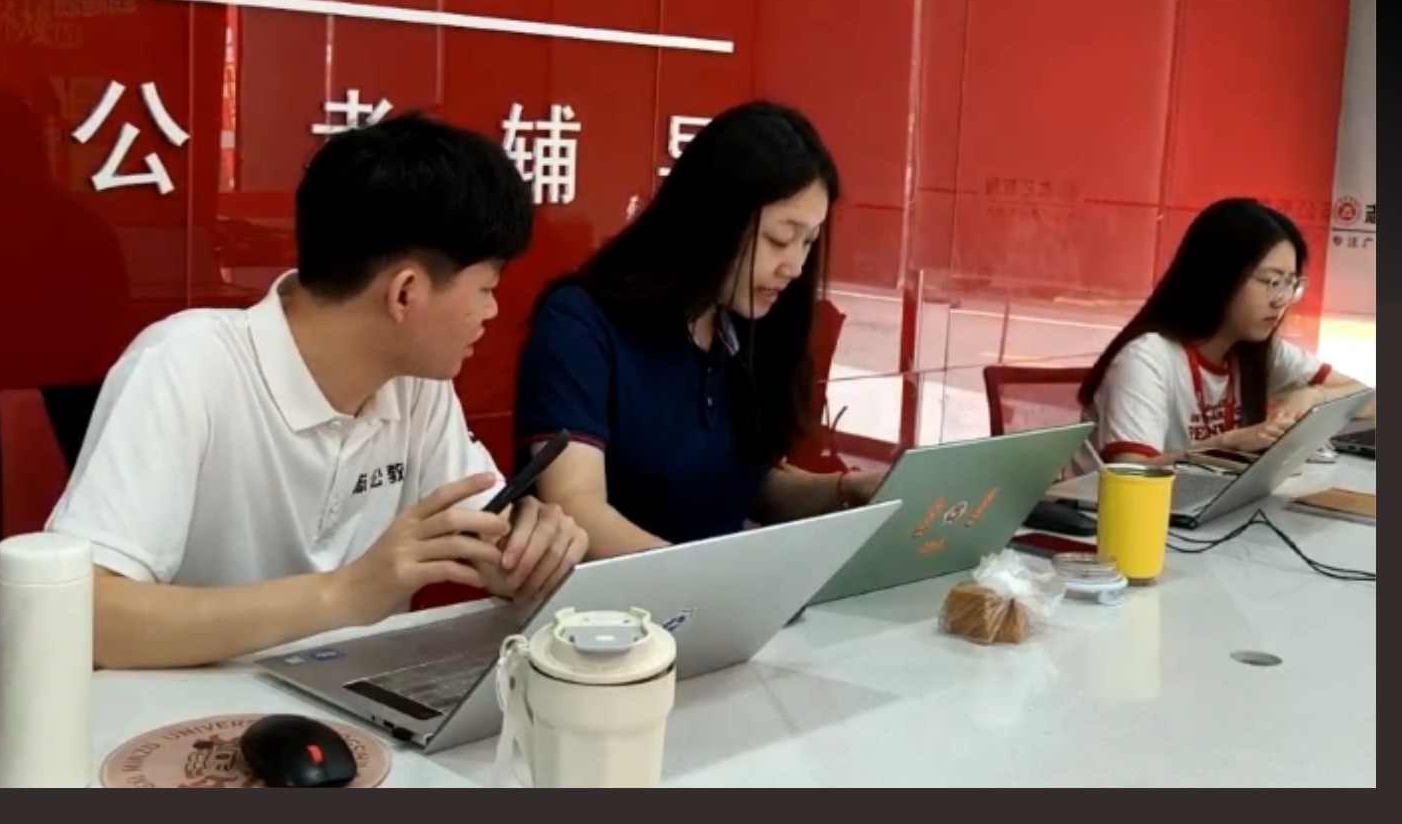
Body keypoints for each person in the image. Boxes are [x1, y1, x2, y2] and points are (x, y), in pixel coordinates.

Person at [49, 114, 587, 670]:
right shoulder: (186, 366)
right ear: (405, 293)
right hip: (192, 711)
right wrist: (342, 595)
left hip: (355, 700)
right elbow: (85, 617)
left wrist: (525, 550)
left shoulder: (416, 388)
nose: (492, 311)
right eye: (486, 288)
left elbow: (483, 534)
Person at [513, 101, 883, 559]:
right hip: (616, 602)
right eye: (779, 239)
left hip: (716, 597)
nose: (794, 266)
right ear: (713, 220)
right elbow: (575, 508)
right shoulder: (581, 325)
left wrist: (848, 490)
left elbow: (744, 484)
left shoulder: (743, 324)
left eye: (807, 242)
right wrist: (704, 583)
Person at [1079, 197, 1374, 467]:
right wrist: (1224, 445)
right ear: (1217, 276)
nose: (1281, 300)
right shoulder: (1147, 357)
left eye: (1290, 283)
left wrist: (1313, 396)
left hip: (1200, 505)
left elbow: (1373, 400)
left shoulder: (1258, 349)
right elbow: (1129, 474)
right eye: (1271, 282)